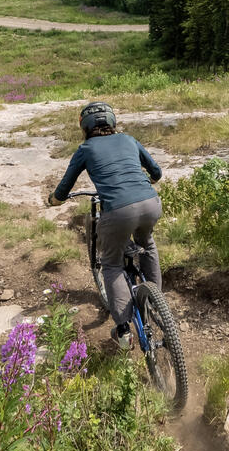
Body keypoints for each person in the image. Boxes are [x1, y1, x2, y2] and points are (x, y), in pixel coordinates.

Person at [45, 102, 164, 350]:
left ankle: (123, 331)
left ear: (85, 127)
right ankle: (156, 301)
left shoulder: (86, 149)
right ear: (112, 122)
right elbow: (156, 171)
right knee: (147, 244)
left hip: (119, 211)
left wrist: (55, 200)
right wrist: (149, 180)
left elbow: (65, 186)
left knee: (111, 263)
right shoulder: (129, 139)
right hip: (151, 203)